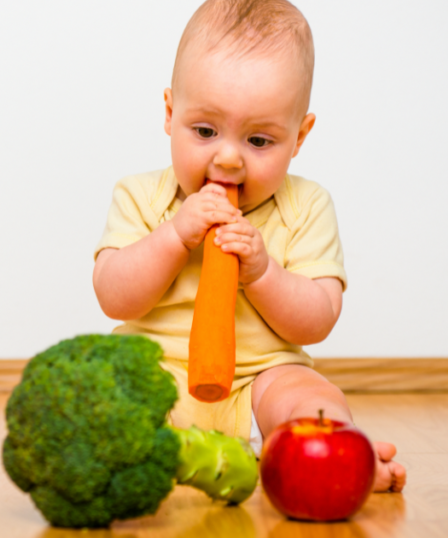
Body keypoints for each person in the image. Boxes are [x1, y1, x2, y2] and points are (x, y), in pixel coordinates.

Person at [92, 0, 406, 492]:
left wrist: (262, 271)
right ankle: (153, 455)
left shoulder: (306, 205)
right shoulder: (139, 195)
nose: (229, 157)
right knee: (111, 395)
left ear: (299, 137)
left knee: (310, 398)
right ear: (171, 114)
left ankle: (338, 461)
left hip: (263, 381)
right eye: (205, 131)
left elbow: (319, 317)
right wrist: (174, 236)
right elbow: (114, 295)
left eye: (259, 141)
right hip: (156, 373)